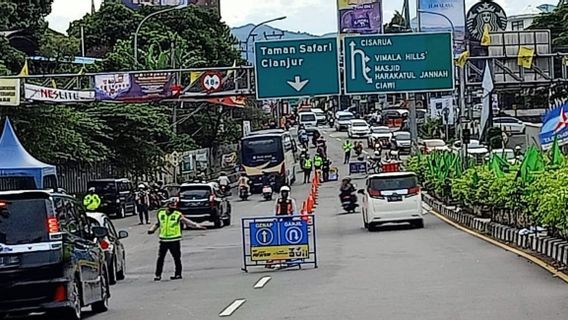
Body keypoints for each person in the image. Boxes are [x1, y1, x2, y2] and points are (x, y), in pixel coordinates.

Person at [148, 199, 205, 281]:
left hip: (174, 240)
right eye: (172, 205)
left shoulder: (177, 214)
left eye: (174, 205)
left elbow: (187, 222)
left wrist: (197, 226)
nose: (174, 207)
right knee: (160, 258)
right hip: (164, 240)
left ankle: (178, 274)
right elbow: (158, 223)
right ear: (167, 205)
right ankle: (158, 275)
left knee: (176, 258)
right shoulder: (161, 213)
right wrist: (152, 230)